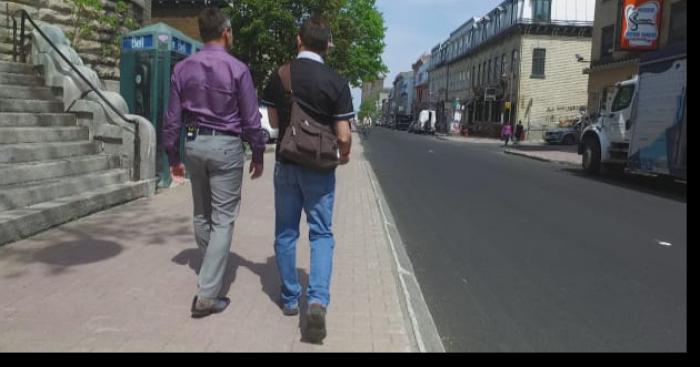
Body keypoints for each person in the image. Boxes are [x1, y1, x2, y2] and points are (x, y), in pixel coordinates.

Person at [162, 7, 265, 319]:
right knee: (222, 219)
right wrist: (258, 153)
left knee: (201, 214)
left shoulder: (182, 68)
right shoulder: (238, 69)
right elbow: (250, 119)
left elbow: (171, 119)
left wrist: (173, 156)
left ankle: (209, 270)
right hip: (225, 147)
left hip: (193, 144)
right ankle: (207, 294)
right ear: (226, 31)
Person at [261, 16, 354, 344]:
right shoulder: (337, 82)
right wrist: (343, 155)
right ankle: (316, 302)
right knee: (321, 234)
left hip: (286, 164)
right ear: (328, 45)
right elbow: (343, 134)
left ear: (299, 40)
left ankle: (289, 299)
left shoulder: (281, 75)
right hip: (319, 169)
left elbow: (273, 122)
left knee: (286, 232)